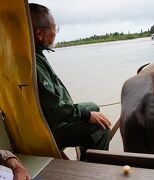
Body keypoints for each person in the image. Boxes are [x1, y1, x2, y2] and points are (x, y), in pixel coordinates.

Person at [29, 3, 111, 160]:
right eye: (55, 29)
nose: (56, 32)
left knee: (93, 106)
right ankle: (91, 170)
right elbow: (55, 110)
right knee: (101, 128)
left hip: (45, 119)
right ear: (40, 34)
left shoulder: (35, 55)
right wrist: (86, 116)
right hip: (48, 126)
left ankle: (85, 153)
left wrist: (87, 113)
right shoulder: (35, 62)